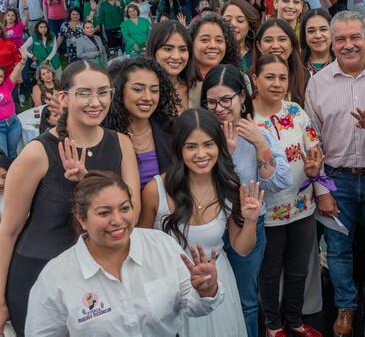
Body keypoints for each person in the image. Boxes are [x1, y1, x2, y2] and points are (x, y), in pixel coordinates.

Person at [0, 60, 140, 336]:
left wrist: (89, 182)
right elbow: (8, 230)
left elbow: (130, 214)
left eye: (103, 92)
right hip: (38, 277)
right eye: (85, 93)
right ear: (64, 97)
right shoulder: (37, 153)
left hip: (102, 280)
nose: (95, 102)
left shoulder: (121, 143)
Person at [25, 171, 225, 336]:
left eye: (124, 208)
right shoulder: (55, 278)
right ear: (82, 219)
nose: (118, 220)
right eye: (104, 213)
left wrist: (206, 290)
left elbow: (195, 307)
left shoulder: (161, 246)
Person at [305, 10, 365, 337]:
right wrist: (321, 190)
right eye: (341, 39)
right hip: (337, 176)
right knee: (338, 248)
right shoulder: (317, 84)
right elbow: (311, 141)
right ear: (332, 44)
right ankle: (346, 306)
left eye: (355, 37)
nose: (349, 45)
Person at [139, 108, 260, 336]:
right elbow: (139, 246)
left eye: (208, 144)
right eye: (191, 146)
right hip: (169, 286)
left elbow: (242, 249)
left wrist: (251, 220)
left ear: (219, 146)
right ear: (178, 149)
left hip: (217, 282)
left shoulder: (229, 185)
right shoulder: (156, 190)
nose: (201, 154)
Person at [201, 64, 292, 337]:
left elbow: (278, 182)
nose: (219, 108)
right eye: (212, 102)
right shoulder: (201, 134)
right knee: (207, 299)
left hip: (248, 222)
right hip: (207, 225)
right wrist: (224, 154)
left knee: (246, 300)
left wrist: (259, 144)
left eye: (226, 100)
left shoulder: (257, 132)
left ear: (242, 97)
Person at [251, 54, 325, 337]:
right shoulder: (247, 118)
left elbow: (314, 150)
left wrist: (314, 166)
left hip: (302, 207)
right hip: (266, 212)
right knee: (269, 272)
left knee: (298, 269)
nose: (277, 83)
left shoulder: (295, 111)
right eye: (269, 77)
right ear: (255, 79)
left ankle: (294, 321)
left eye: (282, 77)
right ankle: (272, 325)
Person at [104, 57, 178, 189]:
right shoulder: (104, 133)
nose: (148, 98)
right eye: (138, 89)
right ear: (120, 90)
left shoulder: (172, 129)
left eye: (154, 90)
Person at [145, 20, 198, 112]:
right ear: (153, 50)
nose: (176, 57)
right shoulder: (141, 93)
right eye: (168, 49)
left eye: (182, 49)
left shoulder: (197, 89)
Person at [254, 19, 306, 106]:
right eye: (268, 40)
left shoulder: (305, 77)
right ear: (259, 46)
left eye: (282, 40)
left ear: (292, 46)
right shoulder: (247, 78)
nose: (275, 46)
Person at [189, 13, 240, 79]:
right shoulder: (178, 82)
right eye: (205, 40)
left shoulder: (238, 79)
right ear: (191, 42)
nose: (213, 46)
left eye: (219, 40)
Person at [0, 47, 26, 159]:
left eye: (0, 76)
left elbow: (16, 72)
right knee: (2, 157)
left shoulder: (7, 85)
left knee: (12, 154)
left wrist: (23, 60)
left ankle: (12, 176)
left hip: (13, 124)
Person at [222, 0, 260, 72]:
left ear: (249, 25)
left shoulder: (258, 56)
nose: (233, 25)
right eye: (227, 20)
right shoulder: (215, 54)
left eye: (240, 20)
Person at [300, 8, 333, 75]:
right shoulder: (295, 65)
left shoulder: (343, 63)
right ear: (304, 35)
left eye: (323, 29)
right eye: (311, 31)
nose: (318, 35)